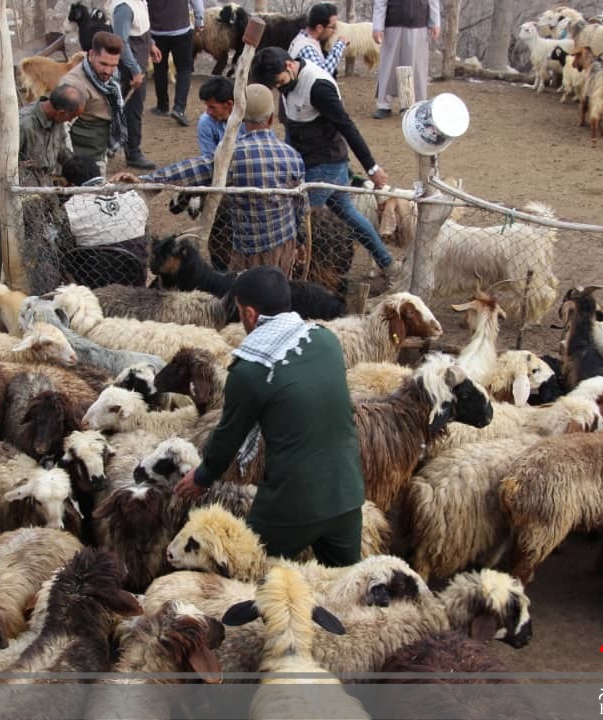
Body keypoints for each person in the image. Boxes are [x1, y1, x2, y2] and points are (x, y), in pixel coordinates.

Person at [173, 265, 365, 567]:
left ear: (249, 314)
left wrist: (201, 477)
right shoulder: (326, 340)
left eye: (238, 311)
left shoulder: (250, 370)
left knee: (251, 573)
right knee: (343, 587)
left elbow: (229, 436)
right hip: (348, 495)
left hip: (292, 502)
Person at [250, 47, 406, 289]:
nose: (280, 88)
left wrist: (372, 167)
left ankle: (285, 273)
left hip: (327, 164)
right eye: (276, 86)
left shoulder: (319, 86)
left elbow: (347, 126)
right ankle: (390, 266)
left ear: (290, 65)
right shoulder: (285, 84)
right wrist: (288, 161)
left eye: (280, 82)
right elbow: (291, 127)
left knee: (295, 218)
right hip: (306, 161)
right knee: (348, 214)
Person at [113, 84, 305, 276]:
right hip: (284, 244)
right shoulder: (293, 156)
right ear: (272, 119)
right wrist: (300, 240)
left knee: (242, 294)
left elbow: (191, 169)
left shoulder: (231, 155)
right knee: (280, 294)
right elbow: (300, 205)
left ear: (240, 116)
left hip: (248, 248)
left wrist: (146, 180)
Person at [0, 84, 86, 194]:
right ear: (61, 112)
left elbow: (62, 152)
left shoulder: (57, 120)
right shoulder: (23, 125)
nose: (69, 120)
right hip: (22, 190)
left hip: (44, 188)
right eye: (71, 117)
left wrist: (81, 173)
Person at [60, 153, 150, 261]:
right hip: (136, 270)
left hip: (93, 272)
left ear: (72, 185)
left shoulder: (70, 207)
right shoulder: (129, 193)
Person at [59, 31, 126, 174]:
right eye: (103, 64)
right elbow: (61, 128)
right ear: (91, 55)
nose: (108, 70)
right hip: (83, 158)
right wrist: (73, 164)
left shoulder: (110, 74)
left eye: (113, 65)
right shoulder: (75, 86)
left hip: (100, 147)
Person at [371, 0, 441, 118]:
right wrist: (377, 26)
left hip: (418, 24)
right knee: (388, 65)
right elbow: (380, 2)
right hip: (393, 23)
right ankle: (384, 105)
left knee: (415, 67)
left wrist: (435, 23)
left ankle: (410, 105)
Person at [111, 0, 160, 169]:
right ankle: (132, 152)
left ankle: (121, 148)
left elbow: (141, 28)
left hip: (137, 63)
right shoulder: (124, 7)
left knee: (131, 108)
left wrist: (151, 44)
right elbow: (121, 41)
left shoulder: (139, 2)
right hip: (128, 68)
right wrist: (134, 70)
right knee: (131, 110)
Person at [147, 0, 204, 127]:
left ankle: (162, 106)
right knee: (184, 69)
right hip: (181, 30)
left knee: (159, 67)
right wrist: (199, 21)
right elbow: (197, 2)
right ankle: (179, 108)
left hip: (156, 31)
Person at [287, 2, 349, 76]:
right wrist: (340, 45)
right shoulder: (306, 47)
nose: (334, 31)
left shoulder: (304, 40)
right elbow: (322, 74)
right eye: (332, 27)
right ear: (319, 28)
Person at [195, 75, 244, 156]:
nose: (208, 112)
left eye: (212, 107)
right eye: (207, 106)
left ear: (229, 104)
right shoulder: (206, 122)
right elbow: (209, 158)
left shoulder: (248, 118)